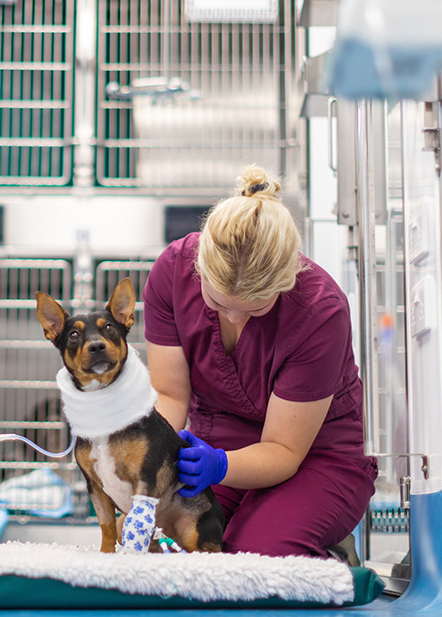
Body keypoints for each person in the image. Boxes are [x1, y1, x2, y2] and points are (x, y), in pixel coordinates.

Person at [143, 165, 377, 559]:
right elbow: (169, 394)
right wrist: (150, 465)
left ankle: (330, 550)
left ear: (286, 283)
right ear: (198, 268)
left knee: (256, 558)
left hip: (313, 457)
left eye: (257, 308)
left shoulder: (320, 310)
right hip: (211, 447)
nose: (234, 319)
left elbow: (283, 451)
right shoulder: (172, 272)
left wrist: (219, 467)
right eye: (218, 303)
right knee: (167, 548)